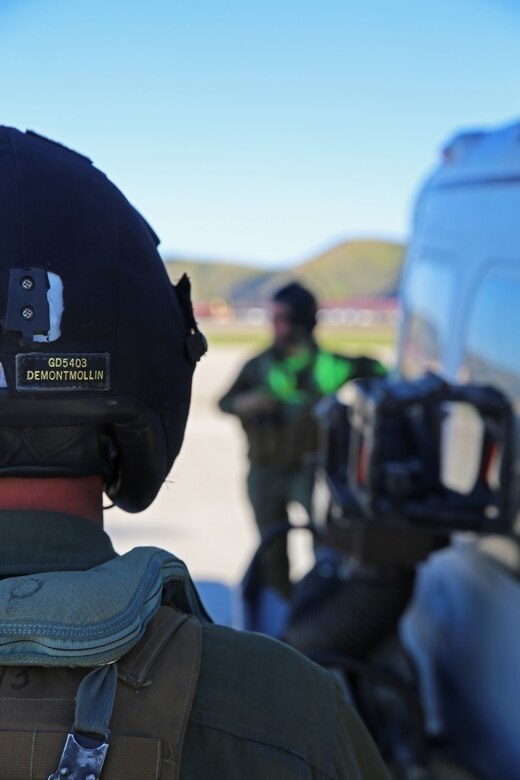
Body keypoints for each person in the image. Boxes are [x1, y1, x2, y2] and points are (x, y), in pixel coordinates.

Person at [0, 127, 390, 779]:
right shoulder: (289, 714)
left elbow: (367, 373)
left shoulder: (323, 367)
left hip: (298, 477)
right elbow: (234, 402)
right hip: (271, 476)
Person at [219, 282, 387, 597]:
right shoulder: (259, 366)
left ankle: (318, 607)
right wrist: (249, 402)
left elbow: (380, 371)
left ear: (302, 320)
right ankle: (281, 608)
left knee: (327, 545)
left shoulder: (331, 367)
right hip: (265, 470)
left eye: (281, 318)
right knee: (271, 547)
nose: (274, 325)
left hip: (311, 470)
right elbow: (224, 402)